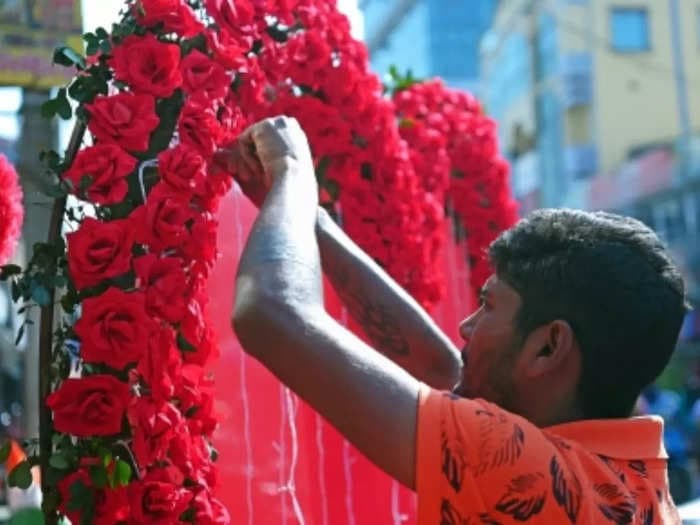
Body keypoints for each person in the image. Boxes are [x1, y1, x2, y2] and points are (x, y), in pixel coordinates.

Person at [218, 116, 687, 524]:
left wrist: (293, 178)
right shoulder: (629, 476)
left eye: (489, 305)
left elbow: (271, 312)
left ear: (548, 347)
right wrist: (314, 221)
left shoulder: (532, 476)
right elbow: (447, 371)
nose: (465, 326)